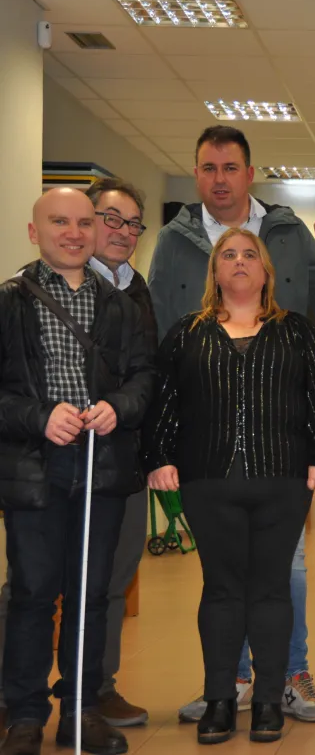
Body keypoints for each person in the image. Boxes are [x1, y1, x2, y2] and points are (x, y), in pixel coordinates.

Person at [149, 125, 315, 723]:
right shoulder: (174, 244)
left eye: (230, 168)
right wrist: (160, 448)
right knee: (223, 583)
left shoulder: (290, 237)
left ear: (249, 173)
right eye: (207, 168)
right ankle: (224, 687)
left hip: (279, 456)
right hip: (208, 457)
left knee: (285, 577)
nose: (219, 179)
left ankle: (284, 681)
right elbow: (161, 353)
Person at [0, 188, 155, 755]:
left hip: (102, 467)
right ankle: (23, 715)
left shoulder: (121, 307)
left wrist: (122, 407)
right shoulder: (10, 301)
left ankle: (81, 711)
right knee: (34, 594)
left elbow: (145, 377)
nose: (73, 232)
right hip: (33, 470)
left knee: (91, 595)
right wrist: (39, 416)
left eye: (83, 223)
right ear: (34, 231)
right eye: (59, 222)